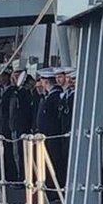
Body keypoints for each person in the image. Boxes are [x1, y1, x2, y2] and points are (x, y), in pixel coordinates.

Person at [35, 68, 65, 196]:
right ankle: (50, 187)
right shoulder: (48, 96)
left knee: (54, 162)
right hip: (46, 135)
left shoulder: (55, 96)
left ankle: (54, 190)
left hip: (52, 136)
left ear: (45, 81)